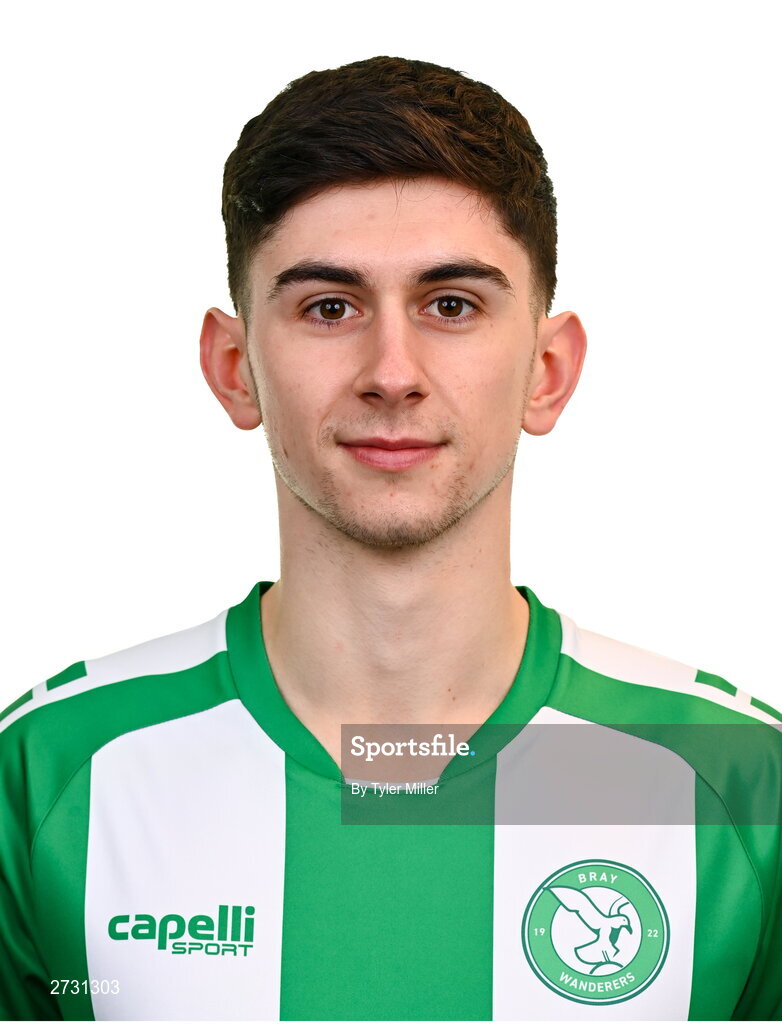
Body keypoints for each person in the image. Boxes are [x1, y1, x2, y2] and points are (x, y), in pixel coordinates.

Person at [0, 54, 779, 1023]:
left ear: (545, 370)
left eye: (450, 305)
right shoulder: (50, 776)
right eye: (329, 306)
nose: (391, 371)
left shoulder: (736, 781)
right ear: (235, 367)